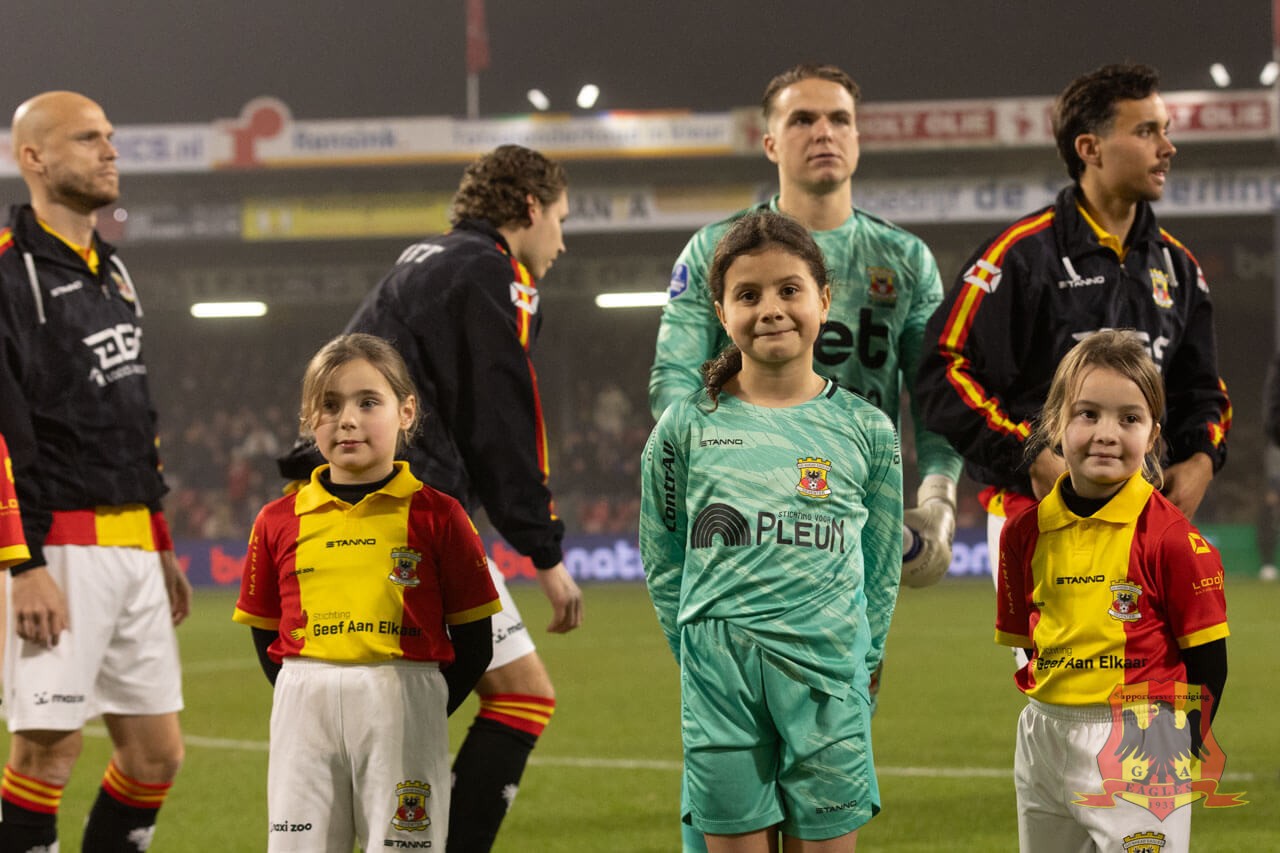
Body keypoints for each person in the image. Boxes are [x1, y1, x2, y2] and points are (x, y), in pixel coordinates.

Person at [281, 144, 583, 852]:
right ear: (530, 208)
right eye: (562, 220)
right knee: (415, 715)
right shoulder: (493, 271)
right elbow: (501, 415)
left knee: (503, 697)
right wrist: (544, 549)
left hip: (355, 504)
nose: (562, 241)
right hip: (401, 518)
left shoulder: (423, 259)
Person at [918, 62, 1230, 608]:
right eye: (1146, 131)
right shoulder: (1020, 256)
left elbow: (1204, 392)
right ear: (1090, 148)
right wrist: (1032, 454)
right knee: (1067, 669)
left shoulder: (1180, 268)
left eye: (1165, 131)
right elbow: (941, 369)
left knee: (1160, 668)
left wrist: (1202, 460)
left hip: (1147, 520)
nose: (1167, 148)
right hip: (1039, 516)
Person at [641, 211, 902, 852]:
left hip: (828, 682)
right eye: (748, 295)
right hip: (720, 682)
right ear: (721, 312)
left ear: (824, 299)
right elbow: (664, 555)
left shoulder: (868, 430)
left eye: (789, 289)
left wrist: (862, 661)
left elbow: (880, 564)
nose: (771, 310)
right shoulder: (685, 426)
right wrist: (698, 651)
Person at [650, 63, 960, 587]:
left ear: (857, 138)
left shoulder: (905, 259)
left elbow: (935, 393)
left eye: (839, 119)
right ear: (770, 143)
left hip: (855, 510)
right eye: (802, 120)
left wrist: (938, 497)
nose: (823, 132)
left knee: (852, 645)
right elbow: (674, 378)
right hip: (745, 509)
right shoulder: (714, 249)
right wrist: (716, 464)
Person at [0, 91, 191, 851]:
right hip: (57, 547)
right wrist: (21, 564)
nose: (110, 150)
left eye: (109, 135)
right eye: (87, 138)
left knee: (155, 757)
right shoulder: (10, 271)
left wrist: (160, 538)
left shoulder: (113, 270)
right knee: (47, 752)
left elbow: (133, 416)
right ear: (33, 158)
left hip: (135, 545)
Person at [235, 333, 501, 852]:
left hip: (406, 701)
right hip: (302, 706)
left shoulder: (441, 515)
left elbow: (476, 643)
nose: (347, 420)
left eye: (368, 402)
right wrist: (309, 693)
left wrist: (420, 709)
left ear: (406, 412)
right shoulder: (275, 520)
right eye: (330, 405)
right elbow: (266, 634)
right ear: (309, 419)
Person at [995, 330, 1229, 853]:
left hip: (1142, 738)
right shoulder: (1022, 534)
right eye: (1088, 414)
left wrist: (1181, 743)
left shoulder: (1173, 540)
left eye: (1129, 419)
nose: (1107, 433)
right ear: (1056, 424)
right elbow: (1029, 645)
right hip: (1043, 734)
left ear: (1153, 436)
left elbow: (1210, 662)